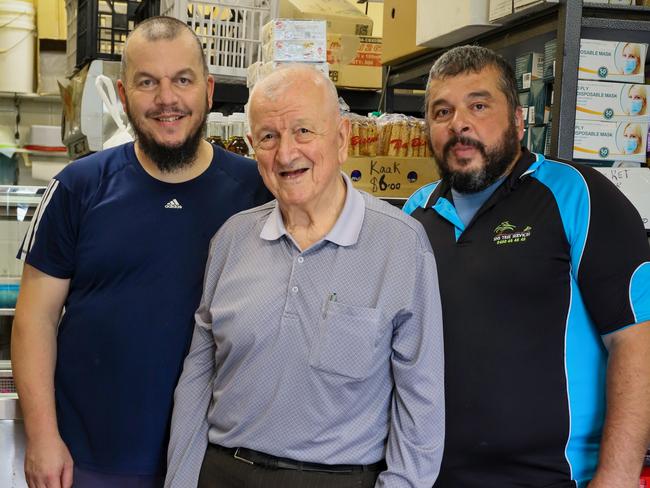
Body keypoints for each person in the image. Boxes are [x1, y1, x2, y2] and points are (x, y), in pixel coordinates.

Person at [12, 16, 270, 488]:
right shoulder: (78, 186)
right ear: (123, 93)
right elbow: (34, 320)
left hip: (212, 463)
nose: (167, 99)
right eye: (147, 82)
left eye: (183, 80)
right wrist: (44, 437)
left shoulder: (256, 192)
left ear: (208, 90)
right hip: (89, 461)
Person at [165, 64, 445, 488]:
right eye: (268, 137)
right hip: (225, 473)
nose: (286, 153)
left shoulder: (401, 245)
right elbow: (198, 377)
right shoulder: (232, 240)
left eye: (303, 132)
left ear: (342, 141)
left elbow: (420, 407)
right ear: (252, 148)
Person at [404, 45, 650, 488]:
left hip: (553, 478)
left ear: (518, 120)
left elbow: (638, 340)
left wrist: (615, 479)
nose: (459, 123)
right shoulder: (414, 214)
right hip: (433, 477)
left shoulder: (576, 195)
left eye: (479, 105)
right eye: (442, 111)